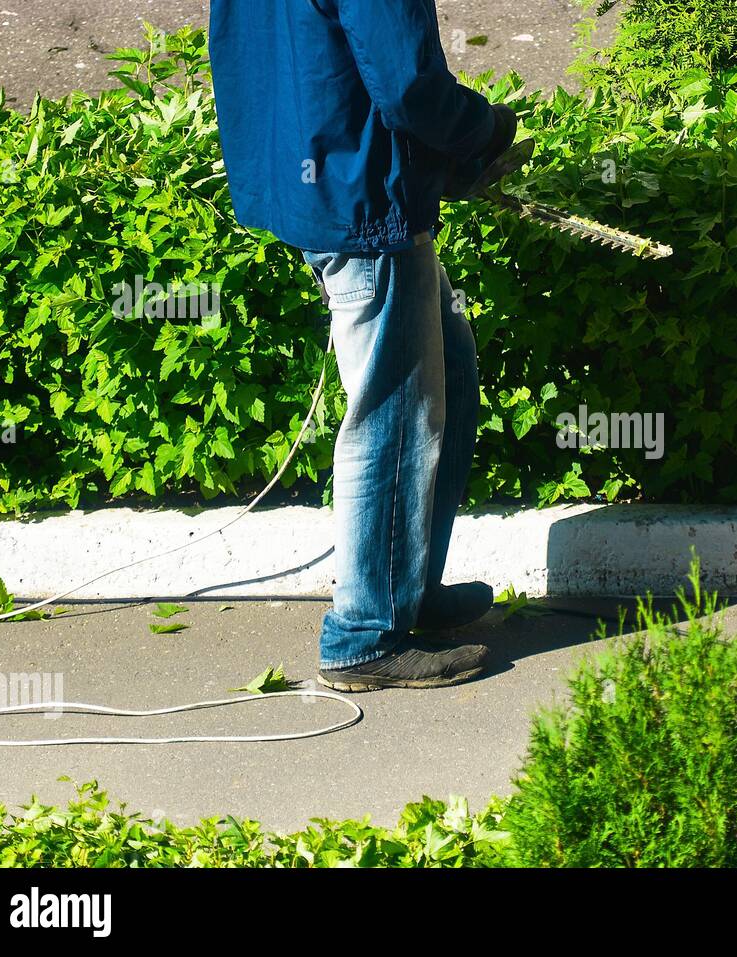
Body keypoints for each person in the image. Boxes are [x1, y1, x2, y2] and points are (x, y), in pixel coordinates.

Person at [208, 0, 518, 691]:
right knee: (397, 414)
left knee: (452, 369)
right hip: (362, 198)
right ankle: (364, 635)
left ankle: (404, 588)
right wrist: (481, 130)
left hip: (323, 173)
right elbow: (409, 86)